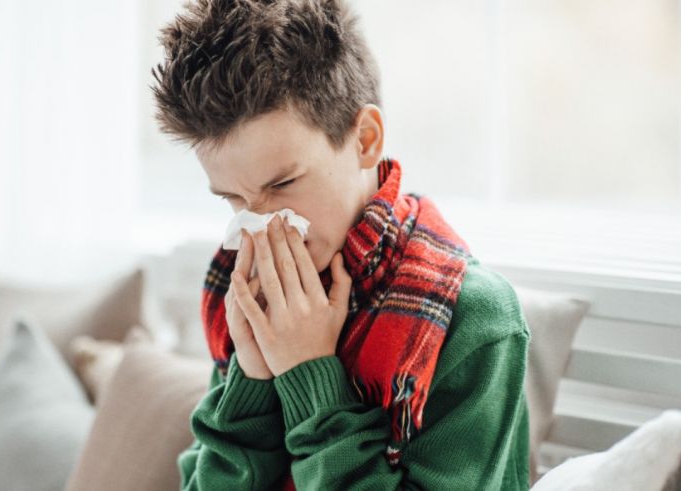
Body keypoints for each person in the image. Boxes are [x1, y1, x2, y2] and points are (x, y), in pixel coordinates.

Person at [149, 0, 531, 489]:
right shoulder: (248, 286)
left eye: (283, 184)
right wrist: (252, 379)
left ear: (366, 139)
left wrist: (310, 374)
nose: (262, 226)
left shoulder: (474, 319)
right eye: (233, 199)